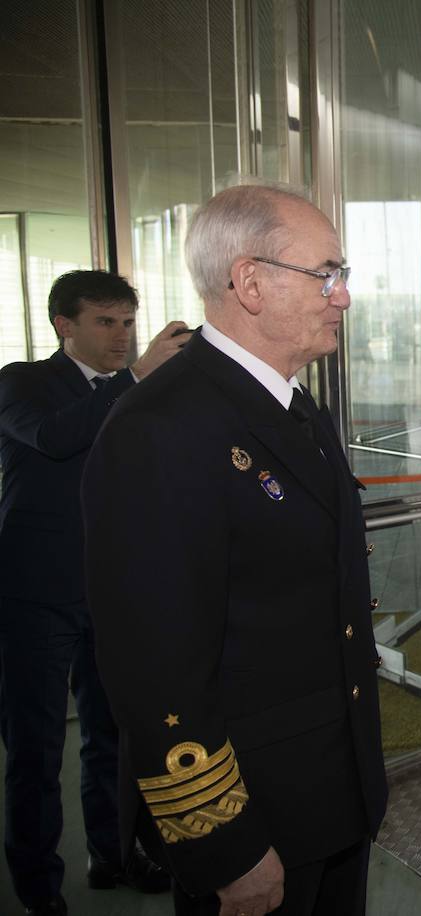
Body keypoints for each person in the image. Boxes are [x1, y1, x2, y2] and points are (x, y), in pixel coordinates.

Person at [81, 183, 387, 916]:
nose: (342, 297)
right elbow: (155, 669)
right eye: (327, 274)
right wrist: (220, 841)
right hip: (255, 813)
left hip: (329, 789)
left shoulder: (290, 403)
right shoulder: (161, 427)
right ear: (249, 282)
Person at [0, 270, 185, 915]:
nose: (122, 336)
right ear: (64, 326)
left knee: (113, 736)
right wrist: (136, 381)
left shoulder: (135, 391)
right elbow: (54, 440)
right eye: (106, 322)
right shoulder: (21, 382)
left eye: (129, 323)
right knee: (36, 750)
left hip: (111, 594)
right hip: (34, 596)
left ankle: (111, 853)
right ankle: (38, 893)